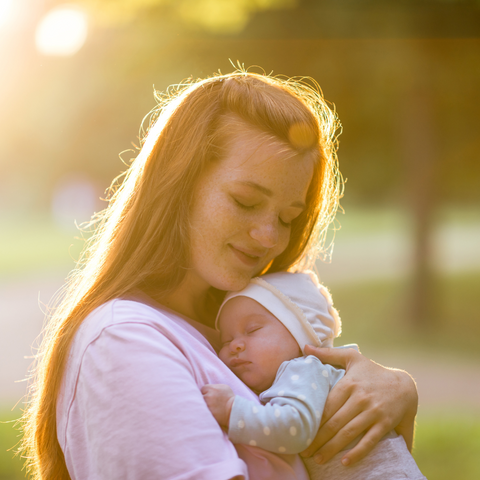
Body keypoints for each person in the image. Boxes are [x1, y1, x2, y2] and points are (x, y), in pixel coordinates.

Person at [21, 71, 419, 480]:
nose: (269, 238)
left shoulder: (251, 327)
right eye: (245, 202)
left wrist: (395, 388)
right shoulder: (123, 341)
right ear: (178, 183)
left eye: (287, 218)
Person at [202, 271, 426, 479]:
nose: (235, 346)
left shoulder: (303, 368)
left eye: (252, 330)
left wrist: (232, 410)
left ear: (303, 335)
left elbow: (293, 429)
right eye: (226, 340)